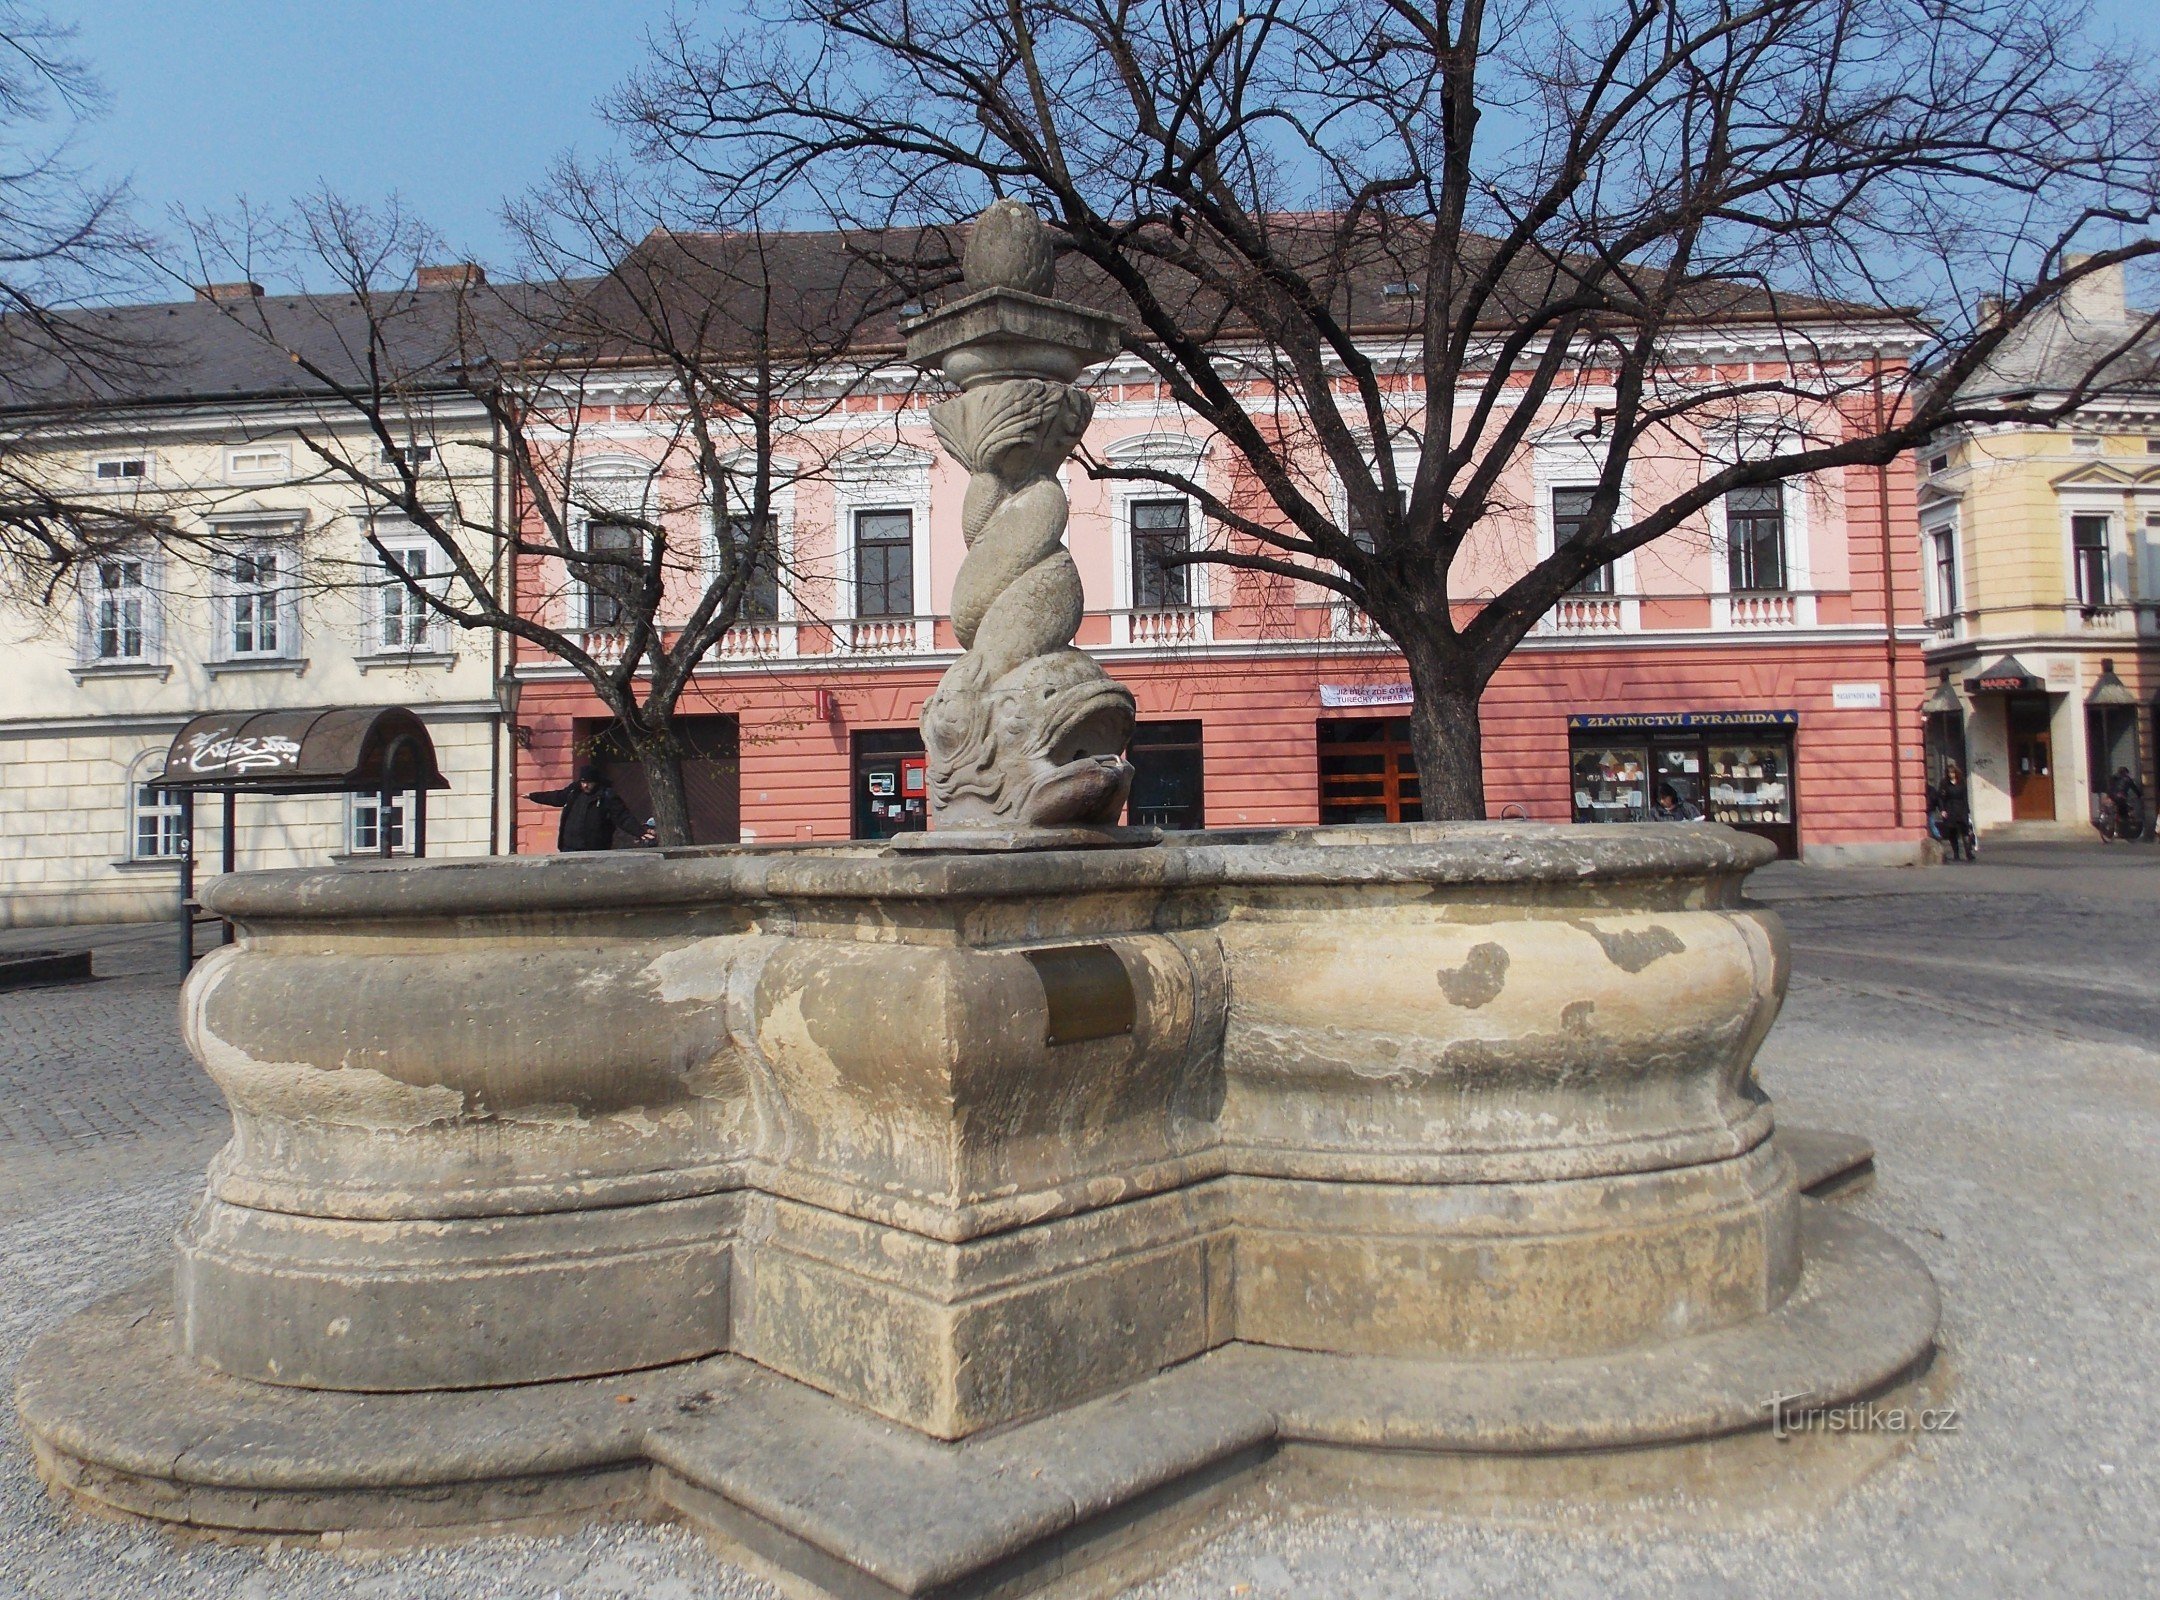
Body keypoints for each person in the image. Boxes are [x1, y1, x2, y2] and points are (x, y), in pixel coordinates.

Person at [527, 763, 654, 851]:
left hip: (594, 848)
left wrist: (639, 832)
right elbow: (556, 797)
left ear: (596, 782)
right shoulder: (573, 792)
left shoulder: (606, 796)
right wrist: (533, 796)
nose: (585, 786)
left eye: (589, 782)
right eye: (583, 782)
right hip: (569, 847)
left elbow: (623, 817)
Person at [1936, 761, 1974, 861]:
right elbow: (1941, 797)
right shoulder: (1944, 783)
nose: (1951, 775)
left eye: (1952, 773)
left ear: (1956, 773)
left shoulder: (1961, 782)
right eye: (1949, 773)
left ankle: (1968, 853)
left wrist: (1967, 810)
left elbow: (1965, 797)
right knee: (1952, 833)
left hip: (1961, 809)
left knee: (1965, 832)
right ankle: (1956, 853)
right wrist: (1942, 810)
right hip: (1950, 809)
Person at [2107, 766, 2145, 843]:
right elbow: (2135, 789)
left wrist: (2109, 796)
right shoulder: (2127, 779)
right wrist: (2140, 796)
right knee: (2124, 814)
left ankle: (2115, 827)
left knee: (2116, 811)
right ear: (2125, 773)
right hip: (2121, 798)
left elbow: (2110, 787)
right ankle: (2120, 830)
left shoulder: (2113, 777)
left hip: (2112, 796)